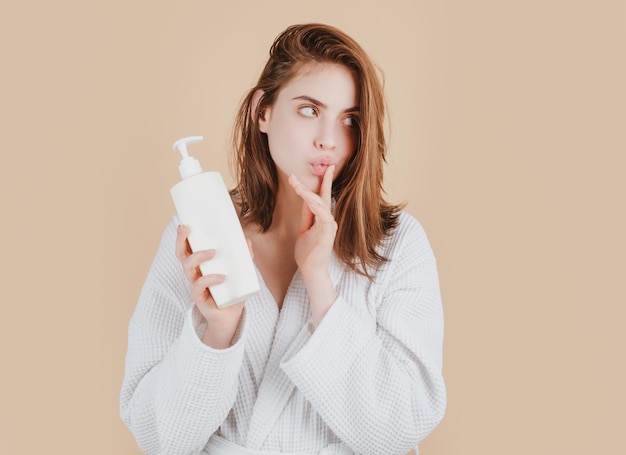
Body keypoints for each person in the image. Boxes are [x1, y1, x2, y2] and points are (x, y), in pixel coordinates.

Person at [120, 23, 446, 455]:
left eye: (349, 120)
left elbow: (401, 427)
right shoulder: (197, 233)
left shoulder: (396, 244)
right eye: (310, 110)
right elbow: (157, 437)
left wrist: (320, 286)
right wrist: (217, 331)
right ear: (263, 111)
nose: (329, 140)